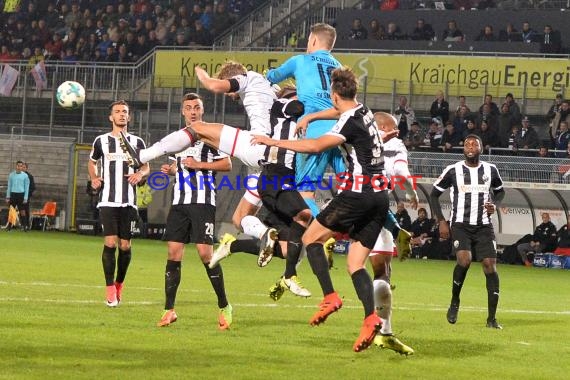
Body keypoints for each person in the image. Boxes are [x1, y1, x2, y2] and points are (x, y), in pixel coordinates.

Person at [252, 67, 390, 352]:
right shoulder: (363, 111)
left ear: (334, 96)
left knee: (309, 238)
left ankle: (330, 297)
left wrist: (272, 141)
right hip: (380, 197)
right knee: (355, 263)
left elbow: (315, 145)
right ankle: (370, 318)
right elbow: (338, 114)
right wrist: (313, 116)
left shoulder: (349, 120)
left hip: (358, 194)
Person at [209, 86, 313, 300]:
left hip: (287, 180)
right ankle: (289, 276)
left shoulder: (302, 117)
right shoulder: (282, 106)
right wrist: (320, 100)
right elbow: (300, 105)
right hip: (275, 175)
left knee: (287, 250)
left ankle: (233, 245)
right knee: (304, 214)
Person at [157, 92, 234, 329]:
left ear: (202, 111)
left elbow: (227, 164)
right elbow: (182, 166)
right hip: (179, 203)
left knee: (205, 255)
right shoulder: (178, 140)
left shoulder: (211, 137)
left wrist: (199, 164)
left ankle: (224, 306)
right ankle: (169, 310)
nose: (192, 111)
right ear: (183, 112)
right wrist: (173, 170)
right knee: (173, 253)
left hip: (203, 202)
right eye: (188, 107)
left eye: (196, 107)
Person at [266, 23, 344, 217]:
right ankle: (387, 232)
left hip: (313, 132)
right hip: (339, 131)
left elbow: (273, 77)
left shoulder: (300, 60)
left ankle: (320, 238)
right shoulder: (339, 67)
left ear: (314, 40)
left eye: (309, 39)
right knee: (355, 188)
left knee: (304, 193)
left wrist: (265, 75)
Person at [430, 134, 505, 329]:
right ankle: (455, 301)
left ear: (481, 147)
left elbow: (500, 191)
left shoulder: (490, 169)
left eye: (474, 144)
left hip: (483, 225)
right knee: (464, 260)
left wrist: (494, 205)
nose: (470, 146)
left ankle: (492, 319)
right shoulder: (453, 170)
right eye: (467, 144)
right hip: (460, 225)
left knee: (490, 265)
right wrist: (441, 222)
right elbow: (433, 195)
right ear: (463, 148)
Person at [88, 100, 150, 307]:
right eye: (117, 112)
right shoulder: (101, 141)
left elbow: (147, 166)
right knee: (110, 243)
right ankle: (109, 291)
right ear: (111, 117)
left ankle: (119, 284)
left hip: (129, 202)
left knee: (125, 245)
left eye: (125, 112)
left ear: (129, 117)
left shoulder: (137, 142)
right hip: (107, 200)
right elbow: (91, 161)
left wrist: (139, 174)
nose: (122, 115)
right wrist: (94, 178)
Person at [369, 112, 416, 355]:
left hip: (350, 205)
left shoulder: (359, 138)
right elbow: (400, 173)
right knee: (382, 272)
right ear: (386, 127)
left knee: (357, 266)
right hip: (377, 209)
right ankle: (382, 332)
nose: (398, 132)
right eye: (395, 127)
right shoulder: (395, 144)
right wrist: (411, 192)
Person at [5, 160, 30, 231]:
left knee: (22, 211)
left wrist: (25, 198)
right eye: (18, 166)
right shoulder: (11, 175)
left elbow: (27, 188)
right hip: (13, 194)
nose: (19, 167)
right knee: (11, 211)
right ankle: (9, 226)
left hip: (21, 195)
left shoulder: (25, 176)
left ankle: (25, 226)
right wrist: (8, 196)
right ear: (16, 166)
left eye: (21, 166)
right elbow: (9, 186)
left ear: (22, 167)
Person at [22, 162, 35, 230]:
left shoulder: (29, 176)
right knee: (20, 210)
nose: (22, 168)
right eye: (22, 167)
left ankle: (27, 225)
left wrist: (27, 195)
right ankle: (22, 224)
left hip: (26, 197)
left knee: (26, 210)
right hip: (18, 196)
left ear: (26, 168)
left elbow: (32, 187)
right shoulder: (18, 176)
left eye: (24, 167)